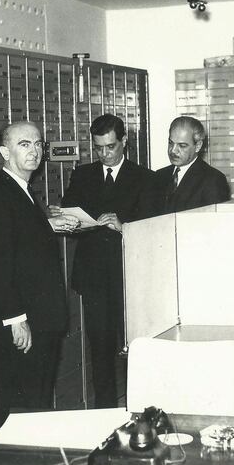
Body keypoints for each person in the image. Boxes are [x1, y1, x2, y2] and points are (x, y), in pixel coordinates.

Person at [0, 121, 78, 423]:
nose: (34, 151)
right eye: (24, 144)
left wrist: (46, 224)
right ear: (4, 152)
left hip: (39, 317)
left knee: (36, 403)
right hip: (21, 321)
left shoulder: (22, 191)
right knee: (22, 408)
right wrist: (16, 319)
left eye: (37, 144)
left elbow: (19, 238)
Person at [57, 114, 158, 408]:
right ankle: (104, 412)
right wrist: (64, 218)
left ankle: (136, 409)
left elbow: (154, 231)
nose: (104, 154)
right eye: (99, 148)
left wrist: (123, 225)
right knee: (99, 350)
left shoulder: (145, 178)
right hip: (94, 277)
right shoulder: (82, 175)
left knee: (132, 350)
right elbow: (71, 214)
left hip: (129, 278)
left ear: (124, 142)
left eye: (110, 147)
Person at [156, 116, 230, 213]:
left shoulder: (213, 180)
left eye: (182, 145)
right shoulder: (159, 176)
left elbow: (214, 224)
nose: (173, 150)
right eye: (170, 143)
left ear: (198, 146)